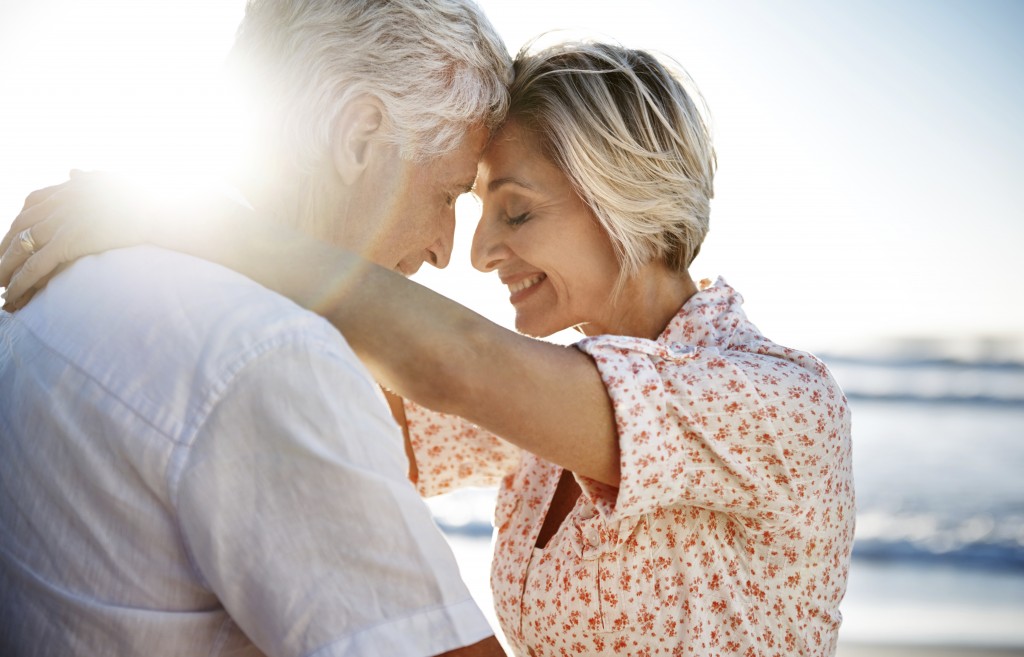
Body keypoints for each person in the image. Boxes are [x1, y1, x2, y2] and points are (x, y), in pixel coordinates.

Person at [1, 41, 856, 657]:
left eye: (514, 212)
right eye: (472, 206)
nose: (478, 252)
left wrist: (202, 225)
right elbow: (333, 395)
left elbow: (456, 362)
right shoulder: (552, 404)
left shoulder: (778, 405)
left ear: (627, 203)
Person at [0, 1, 513, 656]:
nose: (446, 249)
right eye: (447, 194)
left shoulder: (76, 270)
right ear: (359, 138)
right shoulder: (275, 356)